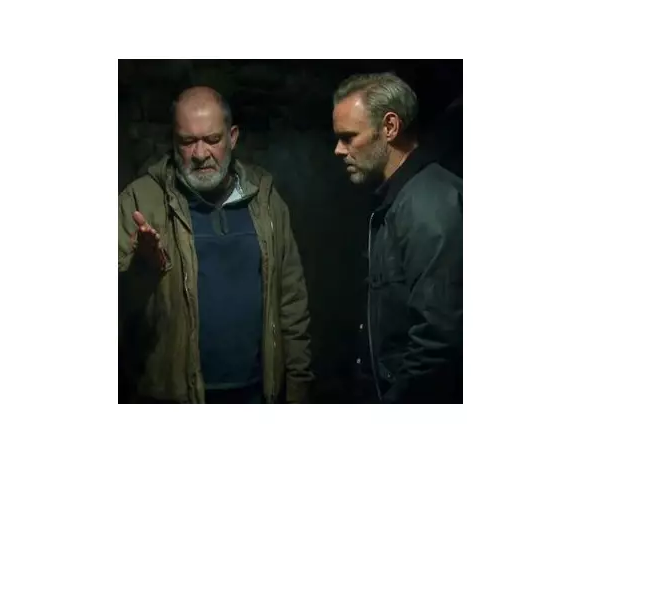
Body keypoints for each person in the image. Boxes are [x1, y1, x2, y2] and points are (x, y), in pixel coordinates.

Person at [118, 86, 313, 403]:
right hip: (174, 398)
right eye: (187, 141)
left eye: (212, 139)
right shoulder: (140, 201)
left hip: (258, 392)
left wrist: (298, 389)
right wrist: (142, 268)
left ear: (232, 137)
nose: (200, 154)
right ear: (173, 141)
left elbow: (291, 301)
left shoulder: (265, 200)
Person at [332, 73, 462, 403]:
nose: (338, 150)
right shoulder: (397, 200)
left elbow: (438, 342)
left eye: (349, 137)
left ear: (390, 127)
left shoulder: (428, 205)